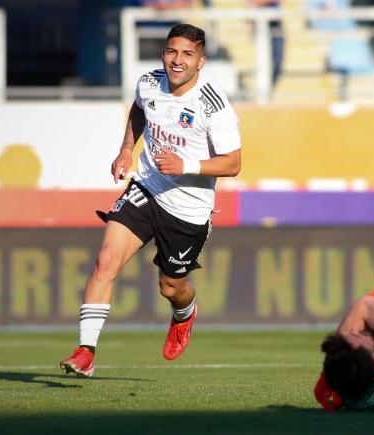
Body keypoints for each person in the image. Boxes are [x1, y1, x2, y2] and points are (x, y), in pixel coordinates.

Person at [59, 23, 242, 377]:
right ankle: (85, 351)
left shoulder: (213, 106)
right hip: (147, 186)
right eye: (172, 51)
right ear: (163, 53)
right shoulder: (149, 82)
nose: (177, 60)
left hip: (188, 209)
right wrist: (127, 149)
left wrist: (185, 164)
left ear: (201, 61)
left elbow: (233, 163)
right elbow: (140, 111)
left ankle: (184, 313)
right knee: (106, 259)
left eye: (187, 54)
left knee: (171, 286)